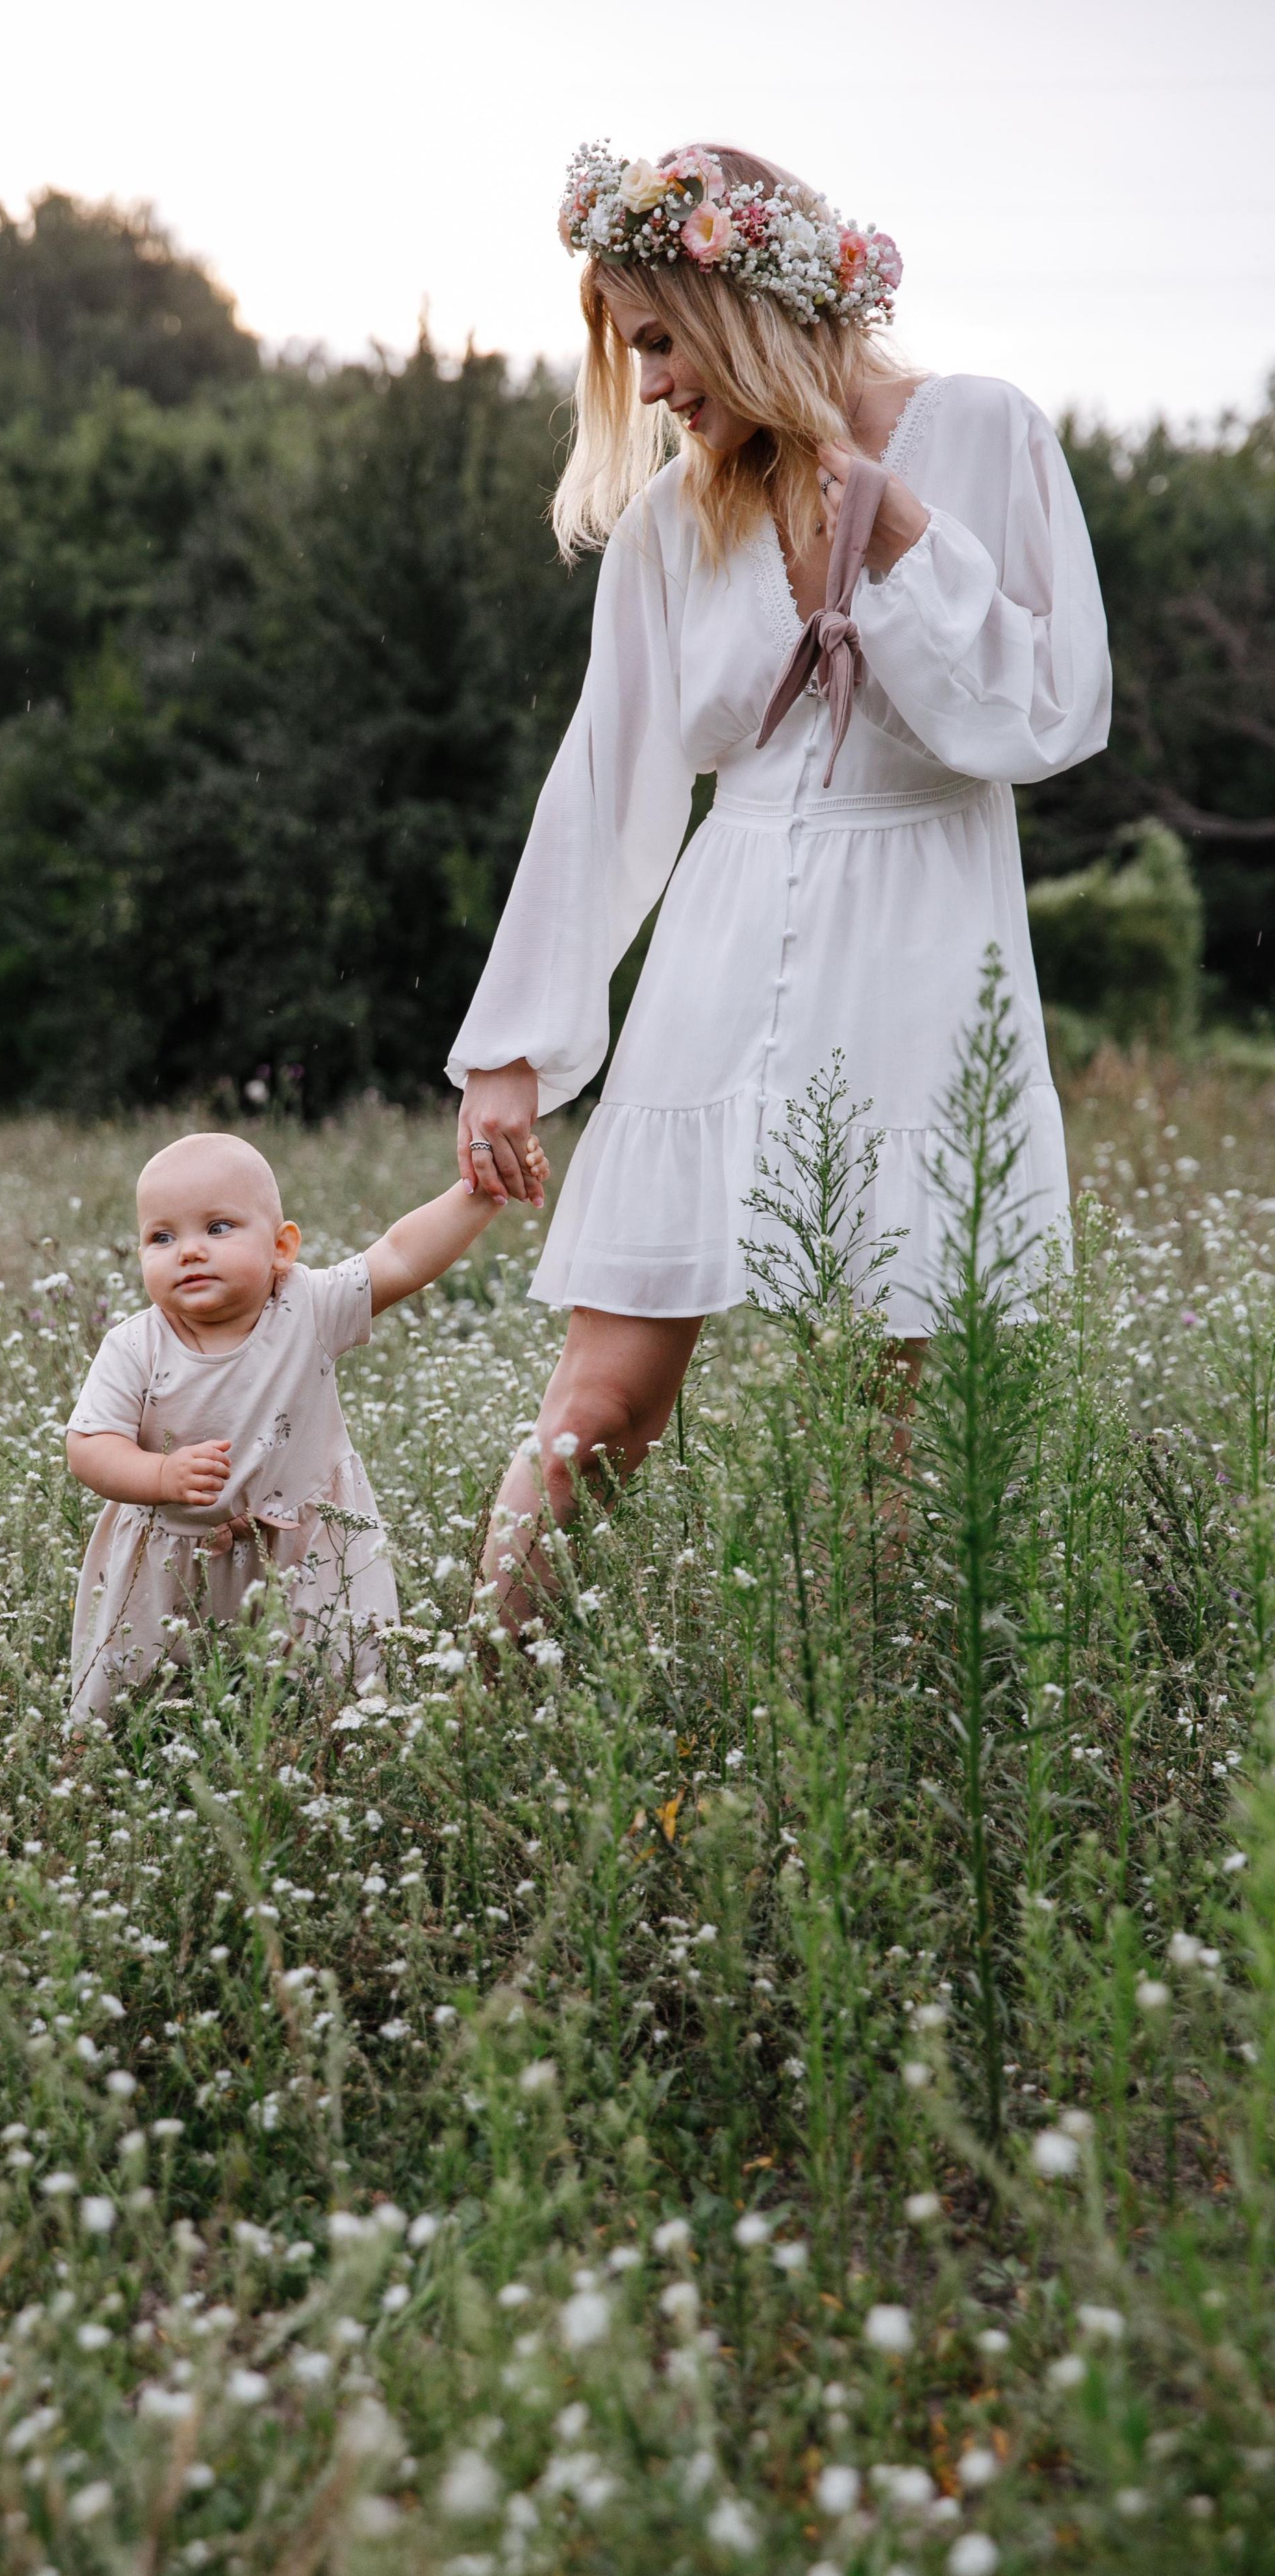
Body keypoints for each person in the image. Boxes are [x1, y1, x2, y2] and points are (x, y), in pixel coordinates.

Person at [449, 141, 1110, 1622]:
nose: (658, 386)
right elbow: (609, 781)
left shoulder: (981, 432)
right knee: (599, 1405)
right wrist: (514, 1049)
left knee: (892, 1430)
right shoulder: (675, 525)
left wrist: (885, 524)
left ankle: (873, 1751)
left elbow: (1049, 718)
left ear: (745, 301)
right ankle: (473, 1714)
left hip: (923, 948)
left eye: (665, 343)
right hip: (719, 945)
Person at [65, 1127, 548, 1713]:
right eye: (161, 1236)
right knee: (140, 1694)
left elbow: (398, 1255)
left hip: (305, 1548)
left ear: (281, 1247)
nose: (189, 1250)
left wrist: (481, 1191)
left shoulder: (309, 1305)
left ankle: (333, 1749)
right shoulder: (134, 1345)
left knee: (339, 1677)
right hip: (173, 1554)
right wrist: (161, 1477)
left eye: (218, 1228)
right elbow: (90, 1446)